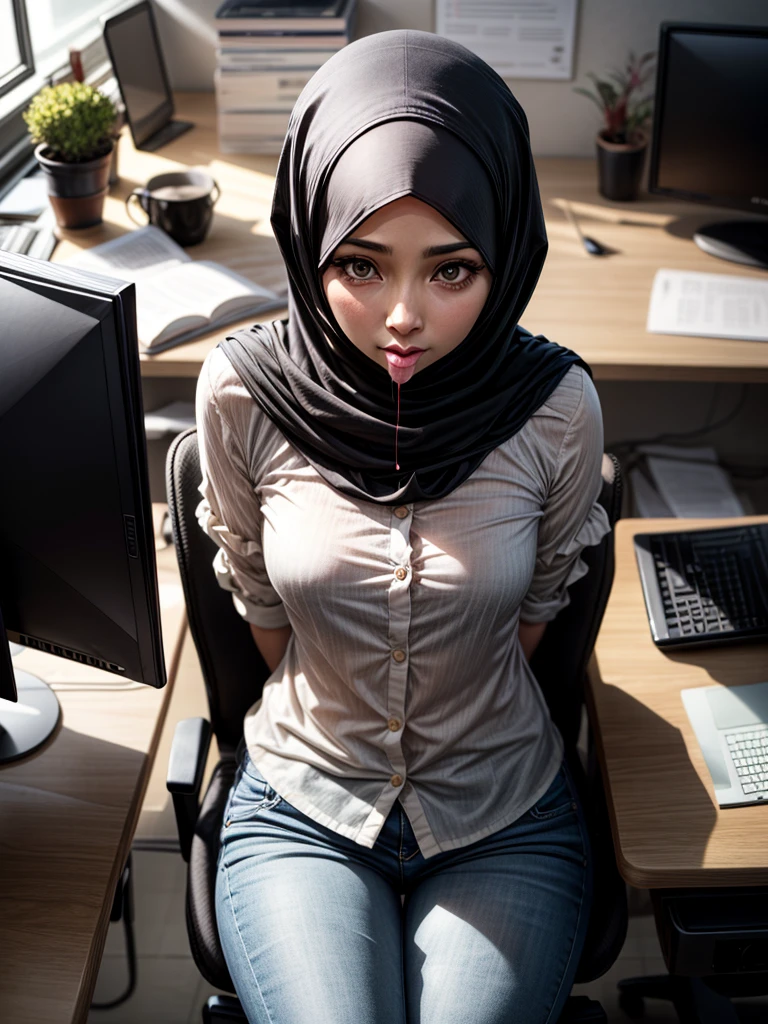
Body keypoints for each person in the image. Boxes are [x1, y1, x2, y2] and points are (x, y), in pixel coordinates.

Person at [195, 28, 610, 1024]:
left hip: (504, 810)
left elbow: (537, 614)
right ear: (308, 238)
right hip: (301, 802)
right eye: (363, 267)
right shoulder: (242, 396)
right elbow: (259, 611)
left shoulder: (556, 406)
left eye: (451, 272)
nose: (403, 318)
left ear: (502, 254)